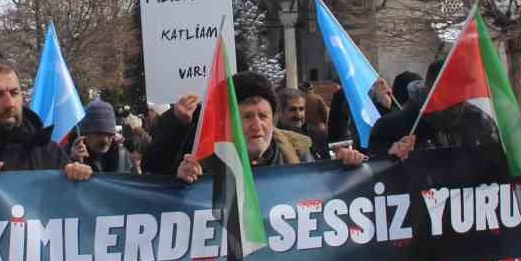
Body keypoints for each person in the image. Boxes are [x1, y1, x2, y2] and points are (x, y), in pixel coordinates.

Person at [170, 71, 367, 183]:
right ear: (226, 123)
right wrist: (183, 182)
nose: (258, 126)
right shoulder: (204, 162)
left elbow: (323, 192)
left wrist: (343, 169)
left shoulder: (298, 152)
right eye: (246, 117)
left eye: (263, 116)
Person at [68, 100, 136, 173]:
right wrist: (74, 162)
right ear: (85, 134)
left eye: (110, 135)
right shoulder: (68, 152)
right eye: (99, 134)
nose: (105, 140)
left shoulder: (122, 156)